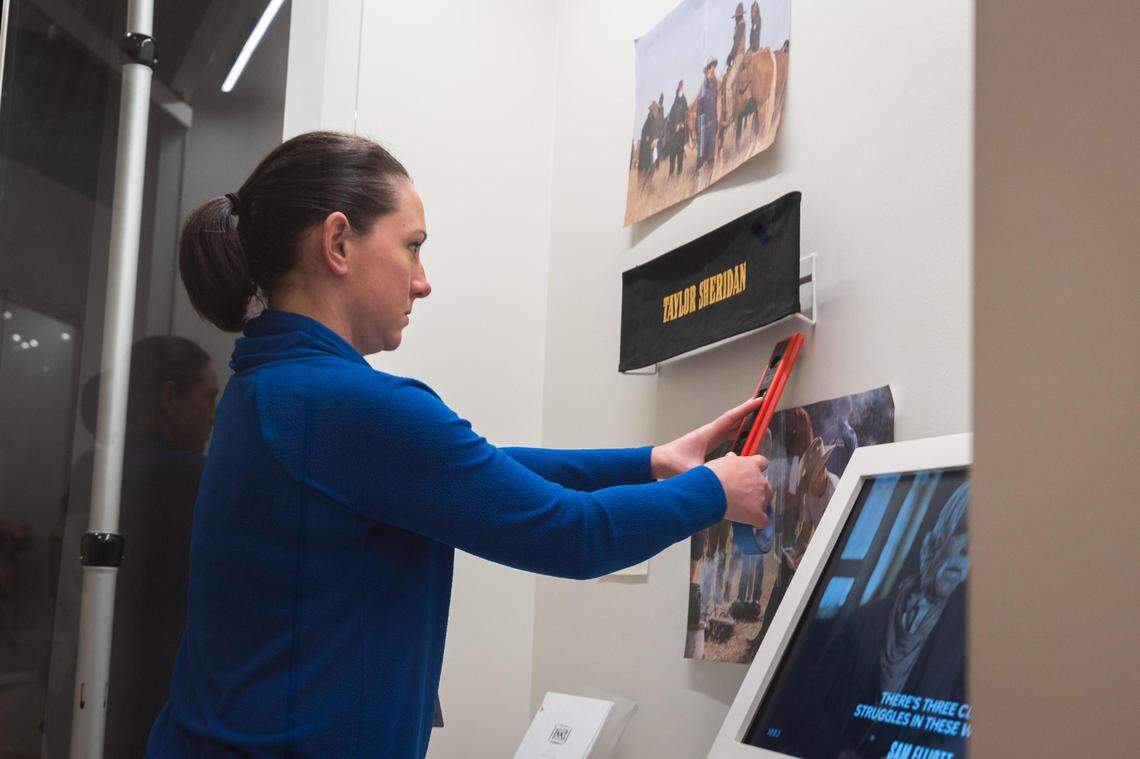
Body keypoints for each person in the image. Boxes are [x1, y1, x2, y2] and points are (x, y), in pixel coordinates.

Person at [146, 131, 773, 758]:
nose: (422, 282)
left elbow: (473, 474)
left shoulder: (266, 387)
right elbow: (573, 535)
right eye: (411, 247)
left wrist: (654, 463)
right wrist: (715, 490)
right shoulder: (344, 403)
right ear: (338, 243)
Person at [696, 57, 719, 172]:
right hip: (703, 127)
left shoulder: (716, 86)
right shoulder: (702, 89)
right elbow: (699, 111)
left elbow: (717, 105)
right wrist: (698, 129)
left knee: (711, 158)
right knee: (700, 158)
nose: (712, 70)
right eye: (710, 68)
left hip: (713, 125)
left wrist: (716, 124)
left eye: (713, 67)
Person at [666, 79, 690, 176]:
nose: (681, 90)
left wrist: (683, 125)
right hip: (673, 137)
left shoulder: (685, 106)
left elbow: (687, 119)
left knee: (680, 160)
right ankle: (671, 176)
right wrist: (675, 126)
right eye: (680, 89)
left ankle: (679, 177)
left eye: (682, 89)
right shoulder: (673, 107)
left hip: (681, 137)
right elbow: (669, 122)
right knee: (672, 160)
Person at [727, 3, 747, 70]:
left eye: (736, 17)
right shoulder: (741, 25)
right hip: (739, 53)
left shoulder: (740, 26)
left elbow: (736, 43)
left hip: (739, 55)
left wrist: (731, 55)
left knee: (731, 79)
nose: (735, 19)